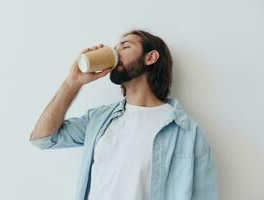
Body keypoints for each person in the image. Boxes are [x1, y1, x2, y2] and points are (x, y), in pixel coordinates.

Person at [29, 29, 219, 200]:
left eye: (125, 46)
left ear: (150, 57)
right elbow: (43, 138)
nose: (115, 53)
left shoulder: (185, 131)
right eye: (114, 48)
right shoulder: (99, 119)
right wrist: (72, 83)